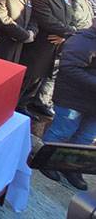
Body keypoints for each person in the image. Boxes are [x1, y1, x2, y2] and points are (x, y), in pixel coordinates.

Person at [18, 0, 82, 119]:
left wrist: (66, 35)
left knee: (40, 79)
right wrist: (69, 32)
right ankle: (17, 106)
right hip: (39, 46)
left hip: (55, 46)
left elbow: (71, 18)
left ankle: (25, 104)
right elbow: (47, 21)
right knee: (30, 78)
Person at [39, 20, 96, 191]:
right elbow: (69, 68)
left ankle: (71, 167)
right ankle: (45, 161)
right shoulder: (83, 40)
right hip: (74, 98)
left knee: (86, 137)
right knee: (63, 131)